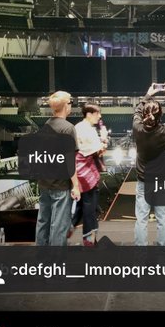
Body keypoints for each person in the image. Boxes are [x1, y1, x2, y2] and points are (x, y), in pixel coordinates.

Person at [133, 82, 165, 246]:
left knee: (141, 219)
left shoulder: (137, 128)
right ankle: (163, 254)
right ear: (160, 116)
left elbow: (137, 112)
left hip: (143, 181)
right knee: (163, 219)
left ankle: (140, 253)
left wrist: (148, 95)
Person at [35, 91, 80, 246]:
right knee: (59, 226)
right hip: (60, 185)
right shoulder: (68, 129)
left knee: (43, 222)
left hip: (44, 183)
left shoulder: (45, 126)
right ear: (66, 106)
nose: (71, 105)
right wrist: (76, 185)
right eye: (70, 102)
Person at [70, 103, 108, 246]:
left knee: (81, 206)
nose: (100, 116)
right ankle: (89, 240)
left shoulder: (80, 127)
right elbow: (97, 150)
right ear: (89, 114)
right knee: (90, 208)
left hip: (81, 172)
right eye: (97, 113)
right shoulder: (85, 129)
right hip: (86, 174)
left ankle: (69, 228)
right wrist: (104, 139)